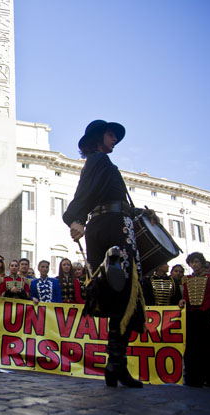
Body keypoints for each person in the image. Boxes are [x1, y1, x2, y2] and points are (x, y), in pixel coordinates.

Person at [63, 119, 147, 388]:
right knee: (125, 292)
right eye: (111, 134)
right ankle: (116, 364)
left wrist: (139, 213)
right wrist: (74, 218)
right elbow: (85, 192)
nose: (115, 139)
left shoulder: (99, 163)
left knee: (116, 295)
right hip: (114, 228)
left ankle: (115, 365)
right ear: (98, 137)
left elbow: (97, 195)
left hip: (105, 224)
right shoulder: (100, 161)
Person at [178, 252, 210, 388]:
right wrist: (182, 301)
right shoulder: (186, 280)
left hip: (208, 315)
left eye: (196, 262)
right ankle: (193, 379)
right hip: (193, 316)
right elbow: (186, 298)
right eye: (192, 262)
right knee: (193, 349)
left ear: (202, 263)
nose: (194, 265)